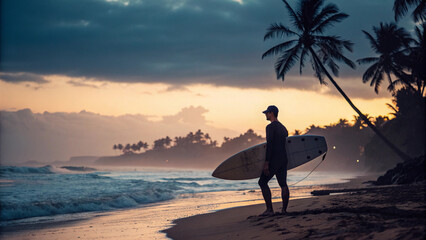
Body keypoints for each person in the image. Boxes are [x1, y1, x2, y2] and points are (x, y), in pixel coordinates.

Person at [259, 105, 289, 216]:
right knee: (283, 184)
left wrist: (266, 162)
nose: (266, 115)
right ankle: (284, 210)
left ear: (271, 113)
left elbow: (270, 145)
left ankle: (269, 209)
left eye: (267, 113)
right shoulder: (283, 127)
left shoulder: (270, 127)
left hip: (274, 159)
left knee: (262, 182)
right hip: (284, 158)